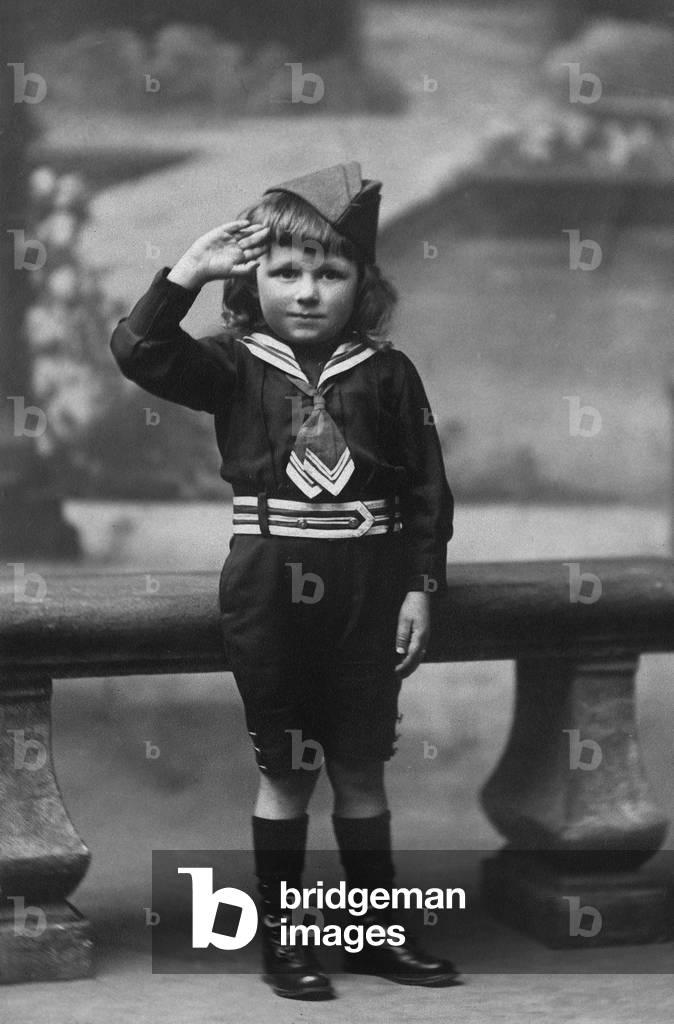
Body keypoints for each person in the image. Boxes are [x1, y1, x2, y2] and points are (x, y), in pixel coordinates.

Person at [110, 162, 457, 1000]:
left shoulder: (389, 372)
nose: (307, 291)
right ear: (252, 279)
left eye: (331, 273)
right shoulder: (231, 368)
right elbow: (139, 351)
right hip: (270, 581)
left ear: (362, 285)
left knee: (363, 767)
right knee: (288, 770)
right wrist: (185, 275)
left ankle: (373, 935)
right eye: (286, 271)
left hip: (369, 583)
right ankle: (287, 945)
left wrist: (420, 586)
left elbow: (426, 489)